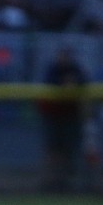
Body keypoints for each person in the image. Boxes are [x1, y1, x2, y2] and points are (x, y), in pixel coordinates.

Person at [37, 47, 89, 193]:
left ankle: (68, 182)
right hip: (53, 118)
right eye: (61, 56)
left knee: (70, 151)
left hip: (71, 118)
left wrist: (72, 81)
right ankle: (50, 181)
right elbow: (49, 81)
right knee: (52, 150)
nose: (63, 59)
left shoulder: (75, 69)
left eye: (66, 56)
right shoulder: (52, 70)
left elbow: (84, 80)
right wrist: (63, 82)